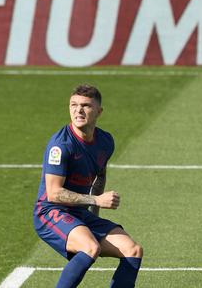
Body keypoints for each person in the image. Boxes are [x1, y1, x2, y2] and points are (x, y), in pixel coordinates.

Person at [33, 85, 143, 287]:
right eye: (73, 105)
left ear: (99, 112)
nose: (78, 111)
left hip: (79, 214)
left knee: (132, 250)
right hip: (50, 212)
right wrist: (96, 200)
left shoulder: (105, 141)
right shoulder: (60, 145)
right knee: (90, 247)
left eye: (85, 106)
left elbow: (100, 175)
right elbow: (54, 193)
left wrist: (94, 213)